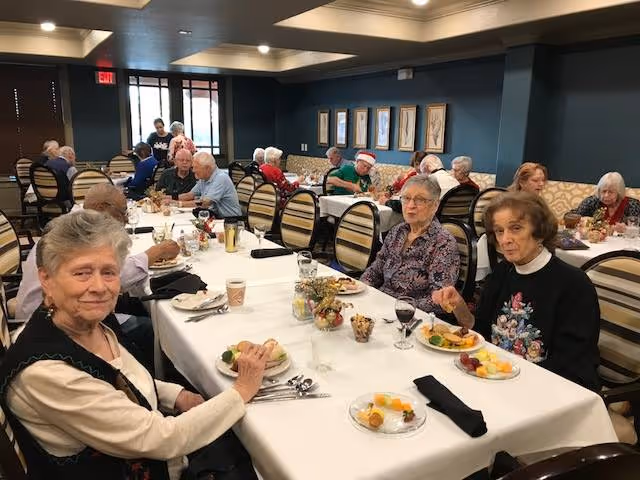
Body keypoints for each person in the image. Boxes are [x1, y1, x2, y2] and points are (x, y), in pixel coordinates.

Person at [0, 210, 268, 479]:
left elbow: (119, 378)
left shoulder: (75, 322)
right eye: (81, 273)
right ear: (46, 279)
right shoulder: (46, 372)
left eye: (109, 272)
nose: (99, 286)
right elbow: (161, 439)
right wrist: (241, 389)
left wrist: (176, 395)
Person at [432, 192, 601, 391]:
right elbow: (482, 331)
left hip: (545, 389)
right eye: (499, 231)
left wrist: (507, 382)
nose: (505, 240)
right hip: (495, 378)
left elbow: (570, 367)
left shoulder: (574, 284)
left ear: (539, 231)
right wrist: (459, 306)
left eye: (516, 228)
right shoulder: (502, 273)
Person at [15, 183, 179, 369]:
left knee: (140, 305)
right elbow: (122, 277)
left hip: (59, 311)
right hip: (47, 319)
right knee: (148, 327)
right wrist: (154, 253)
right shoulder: (76, 234)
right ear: (102, 208)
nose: (125, 219)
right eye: (122, 211)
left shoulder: (77, 225)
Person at [361, 175, 460, 314]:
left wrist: (398, 307)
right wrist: (362, 288)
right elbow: (376, 268)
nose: (410, 206)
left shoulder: (443, 243)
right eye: (406, 198)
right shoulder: (397, 231)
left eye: (420, 200)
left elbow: (438, 299)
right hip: (380, 305)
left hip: (412, 317)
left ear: (435, 205)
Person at [178, 151, 242, 218]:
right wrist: (170, 199)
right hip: (216, 217)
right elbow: (190, 195)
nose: (193, 170)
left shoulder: (221, 178)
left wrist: (178, 204)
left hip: (231, 221)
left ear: (207, 168)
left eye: (196, 167)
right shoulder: (204, 178)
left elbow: (205, 203)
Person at [571, 172, 640, 225]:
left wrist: (627, 230)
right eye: (603, 191)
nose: (606, 195)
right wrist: (583, 219)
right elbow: (570, 216)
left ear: (619, 193)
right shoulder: (592, 202)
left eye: (611, 192)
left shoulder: (633, 205)